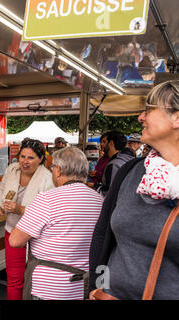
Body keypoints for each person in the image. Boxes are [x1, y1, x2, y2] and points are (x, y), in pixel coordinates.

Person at [89, 80, 179, 300]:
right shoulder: (131, 171)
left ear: (176, 118)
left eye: (149, 109)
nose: (141, 117)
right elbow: (103, 237)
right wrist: (98, 287)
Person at [9, 147, 103, 300]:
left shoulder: (46, 199)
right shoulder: (98, 200)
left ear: (58, 170)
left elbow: (15, 240)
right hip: (84, 287)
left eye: (52, 168)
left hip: (49, 288)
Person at [0, 138, 54, 300]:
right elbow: (1, 188)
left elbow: (47, 213)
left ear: (41, 159)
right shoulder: (12, 169)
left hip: (38, 237)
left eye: (31, 158)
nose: (25, 161)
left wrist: (20, 209)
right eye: (22, 156)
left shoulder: (48, 178)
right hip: (12, 231)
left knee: (36, 280)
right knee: (14, 279)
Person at [96, 130, 134, 196]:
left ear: (111, 143)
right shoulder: (129, 159)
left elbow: (110, 192)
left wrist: (96, 187)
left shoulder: (114, 164)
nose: (101, 145)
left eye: (104, 142)